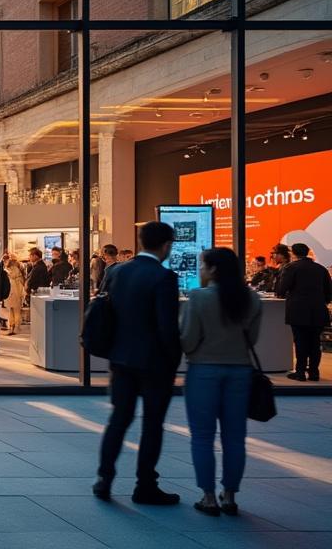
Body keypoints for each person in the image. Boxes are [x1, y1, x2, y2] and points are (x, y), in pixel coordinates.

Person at [94, 221, 182, 506]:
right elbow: (167, 328)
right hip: (154, 363)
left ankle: (104, 478)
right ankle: (145, 485)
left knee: (118, 420)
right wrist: (173, 363)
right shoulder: (164, 277)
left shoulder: (117, 271)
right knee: (152, 424)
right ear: (166, 245)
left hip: (120, 359)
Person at [181, 247, 262, 517]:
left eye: (203, 265)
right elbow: (252, 339)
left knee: (203, 437)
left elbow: (189, 339)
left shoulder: (199, 298)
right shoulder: (251, 299)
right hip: (240, 371)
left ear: (213, 269)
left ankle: (208, 497)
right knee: (235, 438)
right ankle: (229, 495)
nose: (200, 270)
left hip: (203, 371)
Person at [275, 242, 332, 381]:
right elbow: (329, 293)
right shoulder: (321, 269)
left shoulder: (291, 268)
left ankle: (300, 372)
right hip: (318, 310)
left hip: (298, 310)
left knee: (300, 341)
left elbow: (281, 290)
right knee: (314, 342)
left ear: (293, 253)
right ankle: (314, 372)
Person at [3, 254, 27, 336]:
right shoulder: (18, 271)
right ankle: (15, 327)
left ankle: (12, 327)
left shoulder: (8, 270)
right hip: (16, 292)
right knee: (16, 311)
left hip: (10, 292)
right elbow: (21, 282)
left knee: (11, 311)